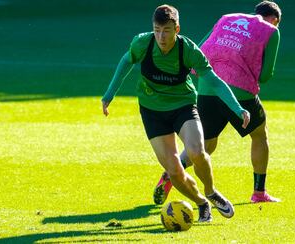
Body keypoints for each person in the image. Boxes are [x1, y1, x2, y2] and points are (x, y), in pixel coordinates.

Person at [102, 4, 250, 222]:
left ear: (177, 29)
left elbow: (215, 82)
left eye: (167, 31)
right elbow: (126, 61)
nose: (161, 36)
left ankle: (210, 191)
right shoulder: (143, 43)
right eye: (157, 30)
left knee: (196, 151)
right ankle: (202, 203)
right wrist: (109, 95)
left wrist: (238, 108)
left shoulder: (188, 50)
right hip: (152, 111)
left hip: (183, 106)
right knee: (174, 171)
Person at [153, 1, 281, 205]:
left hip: (207, 87)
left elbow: (200, 49)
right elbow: (265, 76)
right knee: (259, 134)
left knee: (206, 144)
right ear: (274, 20)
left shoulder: (227, 18)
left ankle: (171, 172)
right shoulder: (270, 30)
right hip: (239, 92)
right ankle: (259, 193)